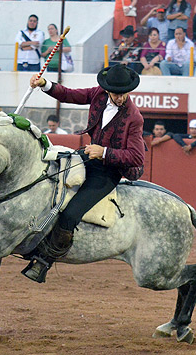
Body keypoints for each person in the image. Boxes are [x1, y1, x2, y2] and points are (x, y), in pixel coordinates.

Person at [24, 64, 145, 282]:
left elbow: (136, 157)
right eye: (116, 94)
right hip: (88, 157)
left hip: (108, 171)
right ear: (108, 90)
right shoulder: (98, 93)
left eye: (124, 94)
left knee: (71, 213)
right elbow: (70, 95)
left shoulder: (134, 117)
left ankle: (44, 261)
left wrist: (104, 152)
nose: (120, 98)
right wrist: (45, 84)